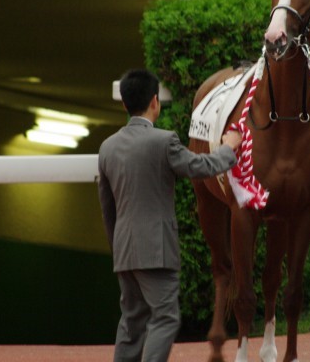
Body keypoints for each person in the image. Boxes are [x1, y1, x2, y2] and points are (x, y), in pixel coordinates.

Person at [97, 69, 242, 362]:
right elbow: (201, 167)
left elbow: (107, 208)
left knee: (132, 322)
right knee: (165, 317)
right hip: (156, 250)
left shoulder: (107, 147)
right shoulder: (164, 141)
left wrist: (119, 249)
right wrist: (228, 148)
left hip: (125, 250)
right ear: (155, 102)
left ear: (124, 104)